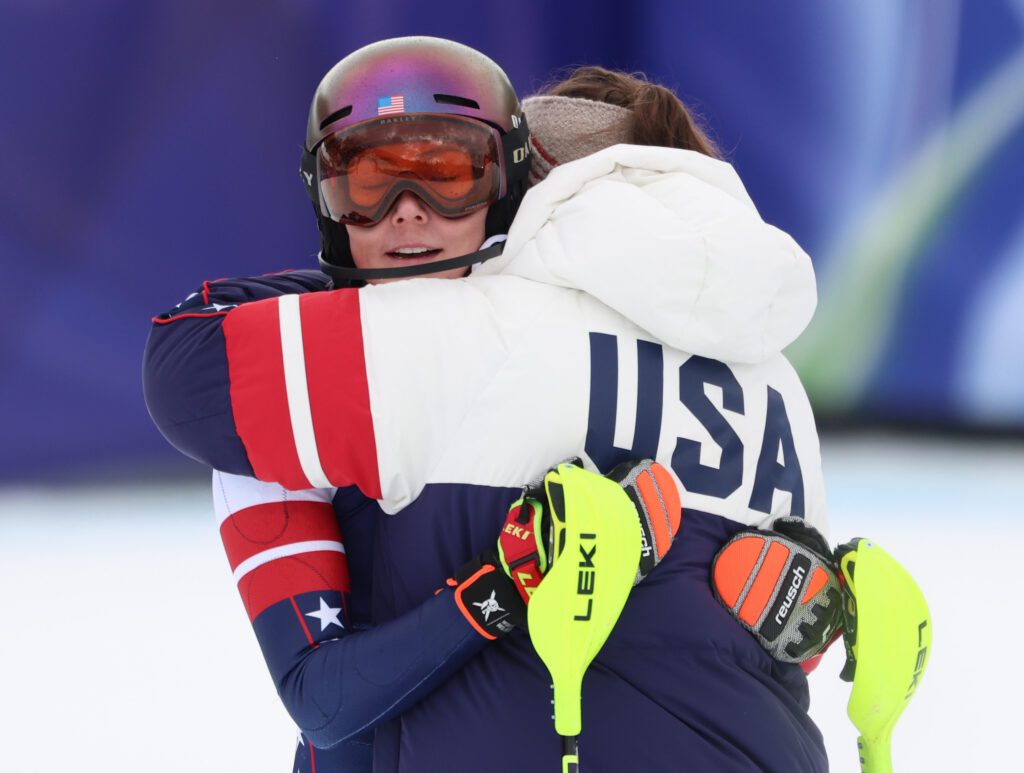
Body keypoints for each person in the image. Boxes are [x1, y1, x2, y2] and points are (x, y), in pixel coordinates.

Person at [144, 37, 831, 772]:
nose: (410, 212)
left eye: (449, 172)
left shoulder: (460, 335)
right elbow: (761, 639)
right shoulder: (776, 381)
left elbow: (185, 363)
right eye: (372, 179)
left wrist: (496, 590)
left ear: (521, 192)